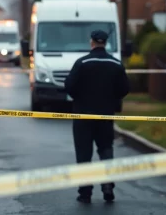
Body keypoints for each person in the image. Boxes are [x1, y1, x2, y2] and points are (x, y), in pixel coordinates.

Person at [64, 29, 130, 204]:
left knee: (84, 154)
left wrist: (80, 96)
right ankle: (107, 185)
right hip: (105, 115)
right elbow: (124, 89)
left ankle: (85, 193)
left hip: (83, 116)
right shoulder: (116, 64)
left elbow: (69, 86)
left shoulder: (82, 63)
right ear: (105, 43)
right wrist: (112, 98)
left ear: (91, 42)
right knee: (105, 149)